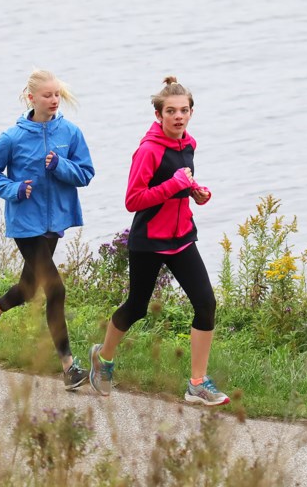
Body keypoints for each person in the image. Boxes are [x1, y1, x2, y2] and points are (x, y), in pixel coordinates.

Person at [88, 76, 229, 406]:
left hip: (182, 239)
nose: (178, 117)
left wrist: (195, 192)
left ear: (191, 112)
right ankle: (103, 358)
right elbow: (133, 200)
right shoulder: (148, 150)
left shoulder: (188, 144)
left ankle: (197, 383)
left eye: (184, 110)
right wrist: (174, 185)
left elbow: (179, 184)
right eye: (171, 111)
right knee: (136, 308)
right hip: (149, 241)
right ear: (158, 115)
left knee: (206, 303)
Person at [0, 69, 94, 391]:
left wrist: (60, 166)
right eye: (47, 95)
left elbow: (85, 174)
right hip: (26, 224)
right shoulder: (12, 136)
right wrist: (13, 190)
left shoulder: (70, 133)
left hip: (55, 222)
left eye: (57, 94)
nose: (54, 100)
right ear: (31, 98)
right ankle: (69, 367)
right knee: (55, 289)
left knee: (28, 288)